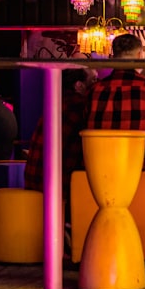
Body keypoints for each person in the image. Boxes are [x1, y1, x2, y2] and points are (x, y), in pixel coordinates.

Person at [84, 34, 145, 170]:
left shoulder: (94, 91)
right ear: (140, 55)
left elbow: (84, 135)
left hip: (101, 173)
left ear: (113, 56)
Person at [24, 67, 98, 198]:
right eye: (94, 80)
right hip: (56, 190)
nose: (98, 85)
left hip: (34, 184)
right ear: (79, 86)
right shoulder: (79, 106)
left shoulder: (55, 102)